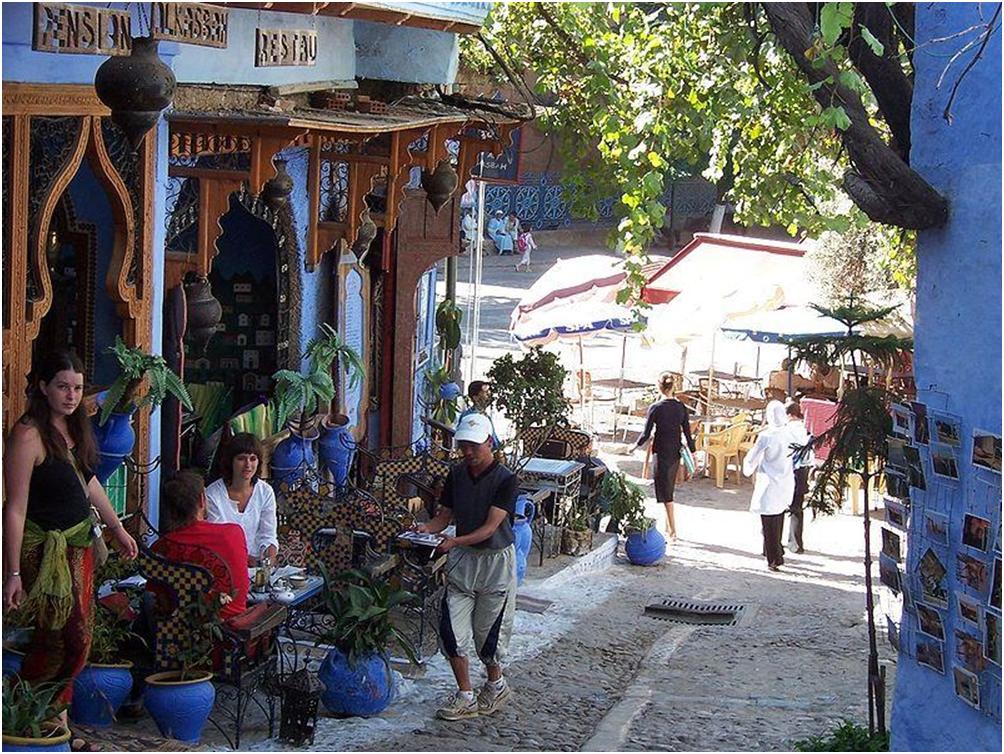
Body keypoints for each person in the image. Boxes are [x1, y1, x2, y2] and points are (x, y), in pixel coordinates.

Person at [2, 351, 138, 724]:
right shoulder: (27, 435)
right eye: (63, 387)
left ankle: (54, 720)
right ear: (44, 387)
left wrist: (117, 527)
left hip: (79, 547)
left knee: (78, 640)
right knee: (62, 639)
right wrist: (12, 574)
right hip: (43, 552)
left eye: (77, 388)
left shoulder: (75, 430)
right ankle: (24, 715)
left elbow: (89, 482)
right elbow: (14, 508)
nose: (71, 395)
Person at [414, 413, 518, 720]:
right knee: (452, 630)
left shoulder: (506, 479)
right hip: (464, 561)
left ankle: (496, 683)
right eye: (463, 446)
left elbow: (489, 528)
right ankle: (465, 694)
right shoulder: (457, 474)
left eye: (474, 446)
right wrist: (425, 530)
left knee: (488, 632)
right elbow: (444, 517)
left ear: (489, 442)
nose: (468, 452)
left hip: (494, 561)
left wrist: (454, 542)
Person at [154, 472, 249, 621]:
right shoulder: (232, 534)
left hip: (175, 634)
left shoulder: (161, 547)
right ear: (202, 500)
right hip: (231, 633)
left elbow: (156, 598)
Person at [633, 372, 695, 540]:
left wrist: (634, 446)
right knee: (668, 489)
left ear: (658, 386)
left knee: (665, 493)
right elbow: (688, 434)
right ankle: (669, 528)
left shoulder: (656, 407)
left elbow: (646, 434)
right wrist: (694, 453)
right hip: (675, 451)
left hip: (660, 451)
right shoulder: (681, 407)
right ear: (673, 386)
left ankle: (673, 530)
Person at [205, 433, 278, 566]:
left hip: (257, 566)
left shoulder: (265, 492)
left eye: (253, 458)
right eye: (241, 459)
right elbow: (218, 541)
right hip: (223, 565)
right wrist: (248, 560)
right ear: (230, 461)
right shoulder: (212, 494)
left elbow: (268, 535)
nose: (248, 465)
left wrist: (269, 559)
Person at [742, 401, 797, 571]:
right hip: (785, 481)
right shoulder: (789, 434)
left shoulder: (766, 436)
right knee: (778, 518)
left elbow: (753, 457)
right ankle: (776, 553)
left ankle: (773, 558)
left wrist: (748, 468)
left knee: (767, 521)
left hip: (768, 481)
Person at [786, 401, 813, 554]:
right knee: (797, 508)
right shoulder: (805, 427)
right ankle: (796, 543)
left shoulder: (785, 429)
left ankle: (773, 542)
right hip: (803, 469)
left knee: (779, 507)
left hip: (788, 470)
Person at [458, 380, 500, 450]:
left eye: (489, 392)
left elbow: (494, 441)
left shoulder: (486, 416)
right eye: (485, 393)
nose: (489, 394)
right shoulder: (469, 417)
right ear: (475, 397)